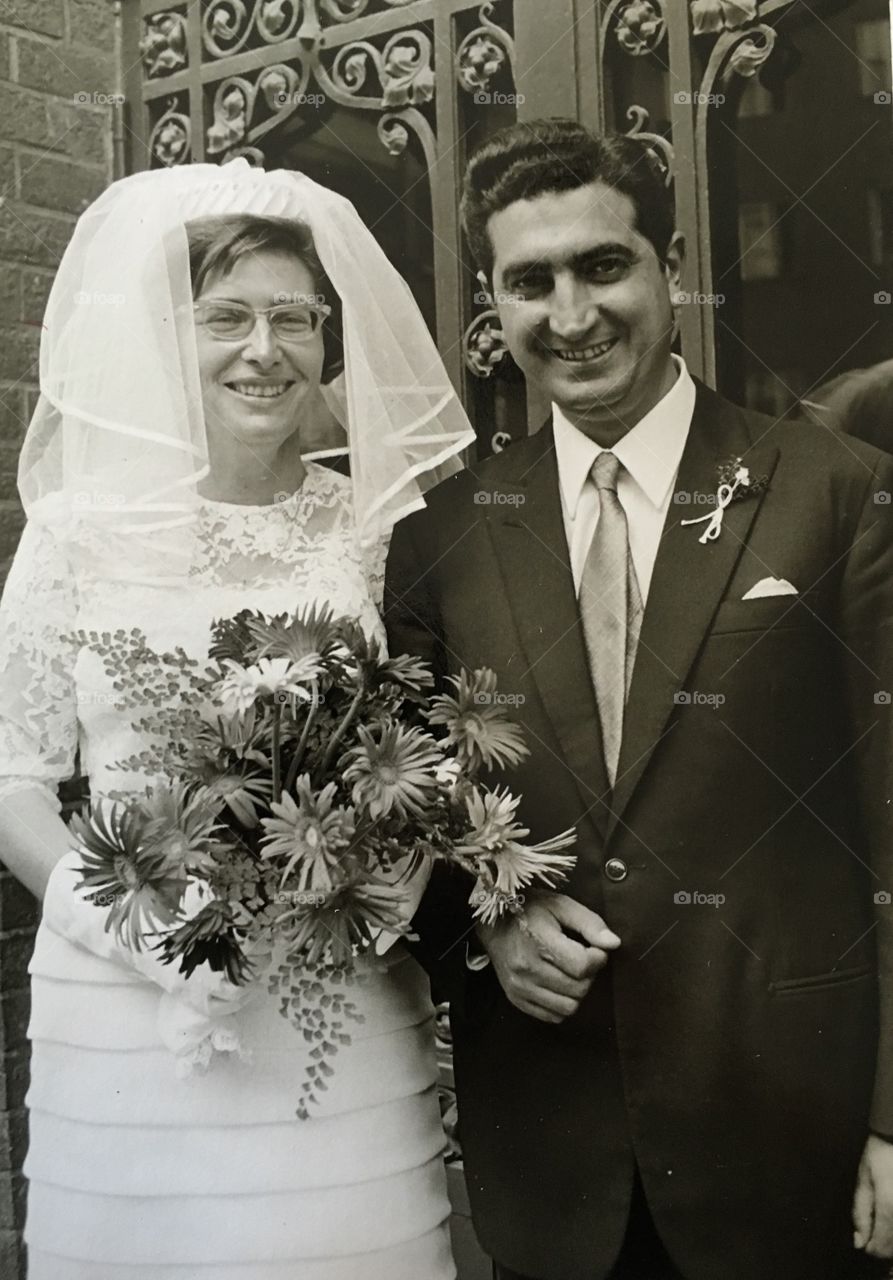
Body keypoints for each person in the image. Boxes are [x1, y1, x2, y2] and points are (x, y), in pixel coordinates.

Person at [384, 118, 893, 1280]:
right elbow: (403, 811)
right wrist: (486, 921)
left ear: (669, 268)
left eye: (601, 265)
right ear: (490, 302)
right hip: (551, 1161)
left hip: (788, 1144)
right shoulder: (442, 537)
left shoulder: (835, 492)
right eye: (529, 281)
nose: (569, 315)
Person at [0, 159, 475, 1279]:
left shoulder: (373, 528)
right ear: (170, 335)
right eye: (227, 317)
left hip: (332, 994)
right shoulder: (73, 531)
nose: (262, 349)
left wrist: (395, 871)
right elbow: (15, 778)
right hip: (128, 1007)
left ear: (325, 340)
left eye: (292, 318)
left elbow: (425, 731)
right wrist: (137, 927)